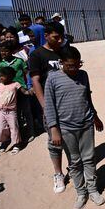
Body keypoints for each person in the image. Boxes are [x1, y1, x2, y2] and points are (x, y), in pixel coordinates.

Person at [44, 46, 105, 209]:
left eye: (77, 65)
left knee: (89, 158)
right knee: (75, 162)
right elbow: (49, 106)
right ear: (61, 63)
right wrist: (54, 129)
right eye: (70, 65)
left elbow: (87, 98)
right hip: (66, 128)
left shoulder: (83, 75)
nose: (74, 69)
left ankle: (92, 190)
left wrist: (96, 117)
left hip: (86, 124)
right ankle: (80, 192)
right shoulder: (53, 78)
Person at [29, 21, 67, 194]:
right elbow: (36, 81)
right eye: (55, 37)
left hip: (68, 103)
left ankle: (74, 167)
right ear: (46, 36)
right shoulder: (37, 54)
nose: (59, 41)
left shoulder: (64, 51)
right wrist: (44, 105)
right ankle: (58, 173)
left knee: (71, 136)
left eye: (61, 37)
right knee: (55, 140)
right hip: (51, 105)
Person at [0, 41, 35, 142]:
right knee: (16, 114)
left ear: (12, 51)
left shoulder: (19, 61)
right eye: (1, 51)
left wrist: (29, 86)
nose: (3, 53)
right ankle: (19, 136)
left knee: (27, 112)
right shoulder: (1, 64)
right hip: (10, 93)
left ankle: (31, 132)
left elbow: (27, 73)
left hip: (22, 90)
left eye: (5, 51)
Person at [0, 66, 30, 155]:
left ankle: (16, 144)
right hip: (1, 111)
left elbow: (24, 92)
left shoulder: (15, 84)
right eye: (0, 76)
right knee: (1, 129)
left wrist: (30, 91)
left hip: (11, 112)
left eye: (3, 76)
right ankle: (4, 142)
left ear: (10, 76)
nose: (1, 78)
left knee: (14, 128)